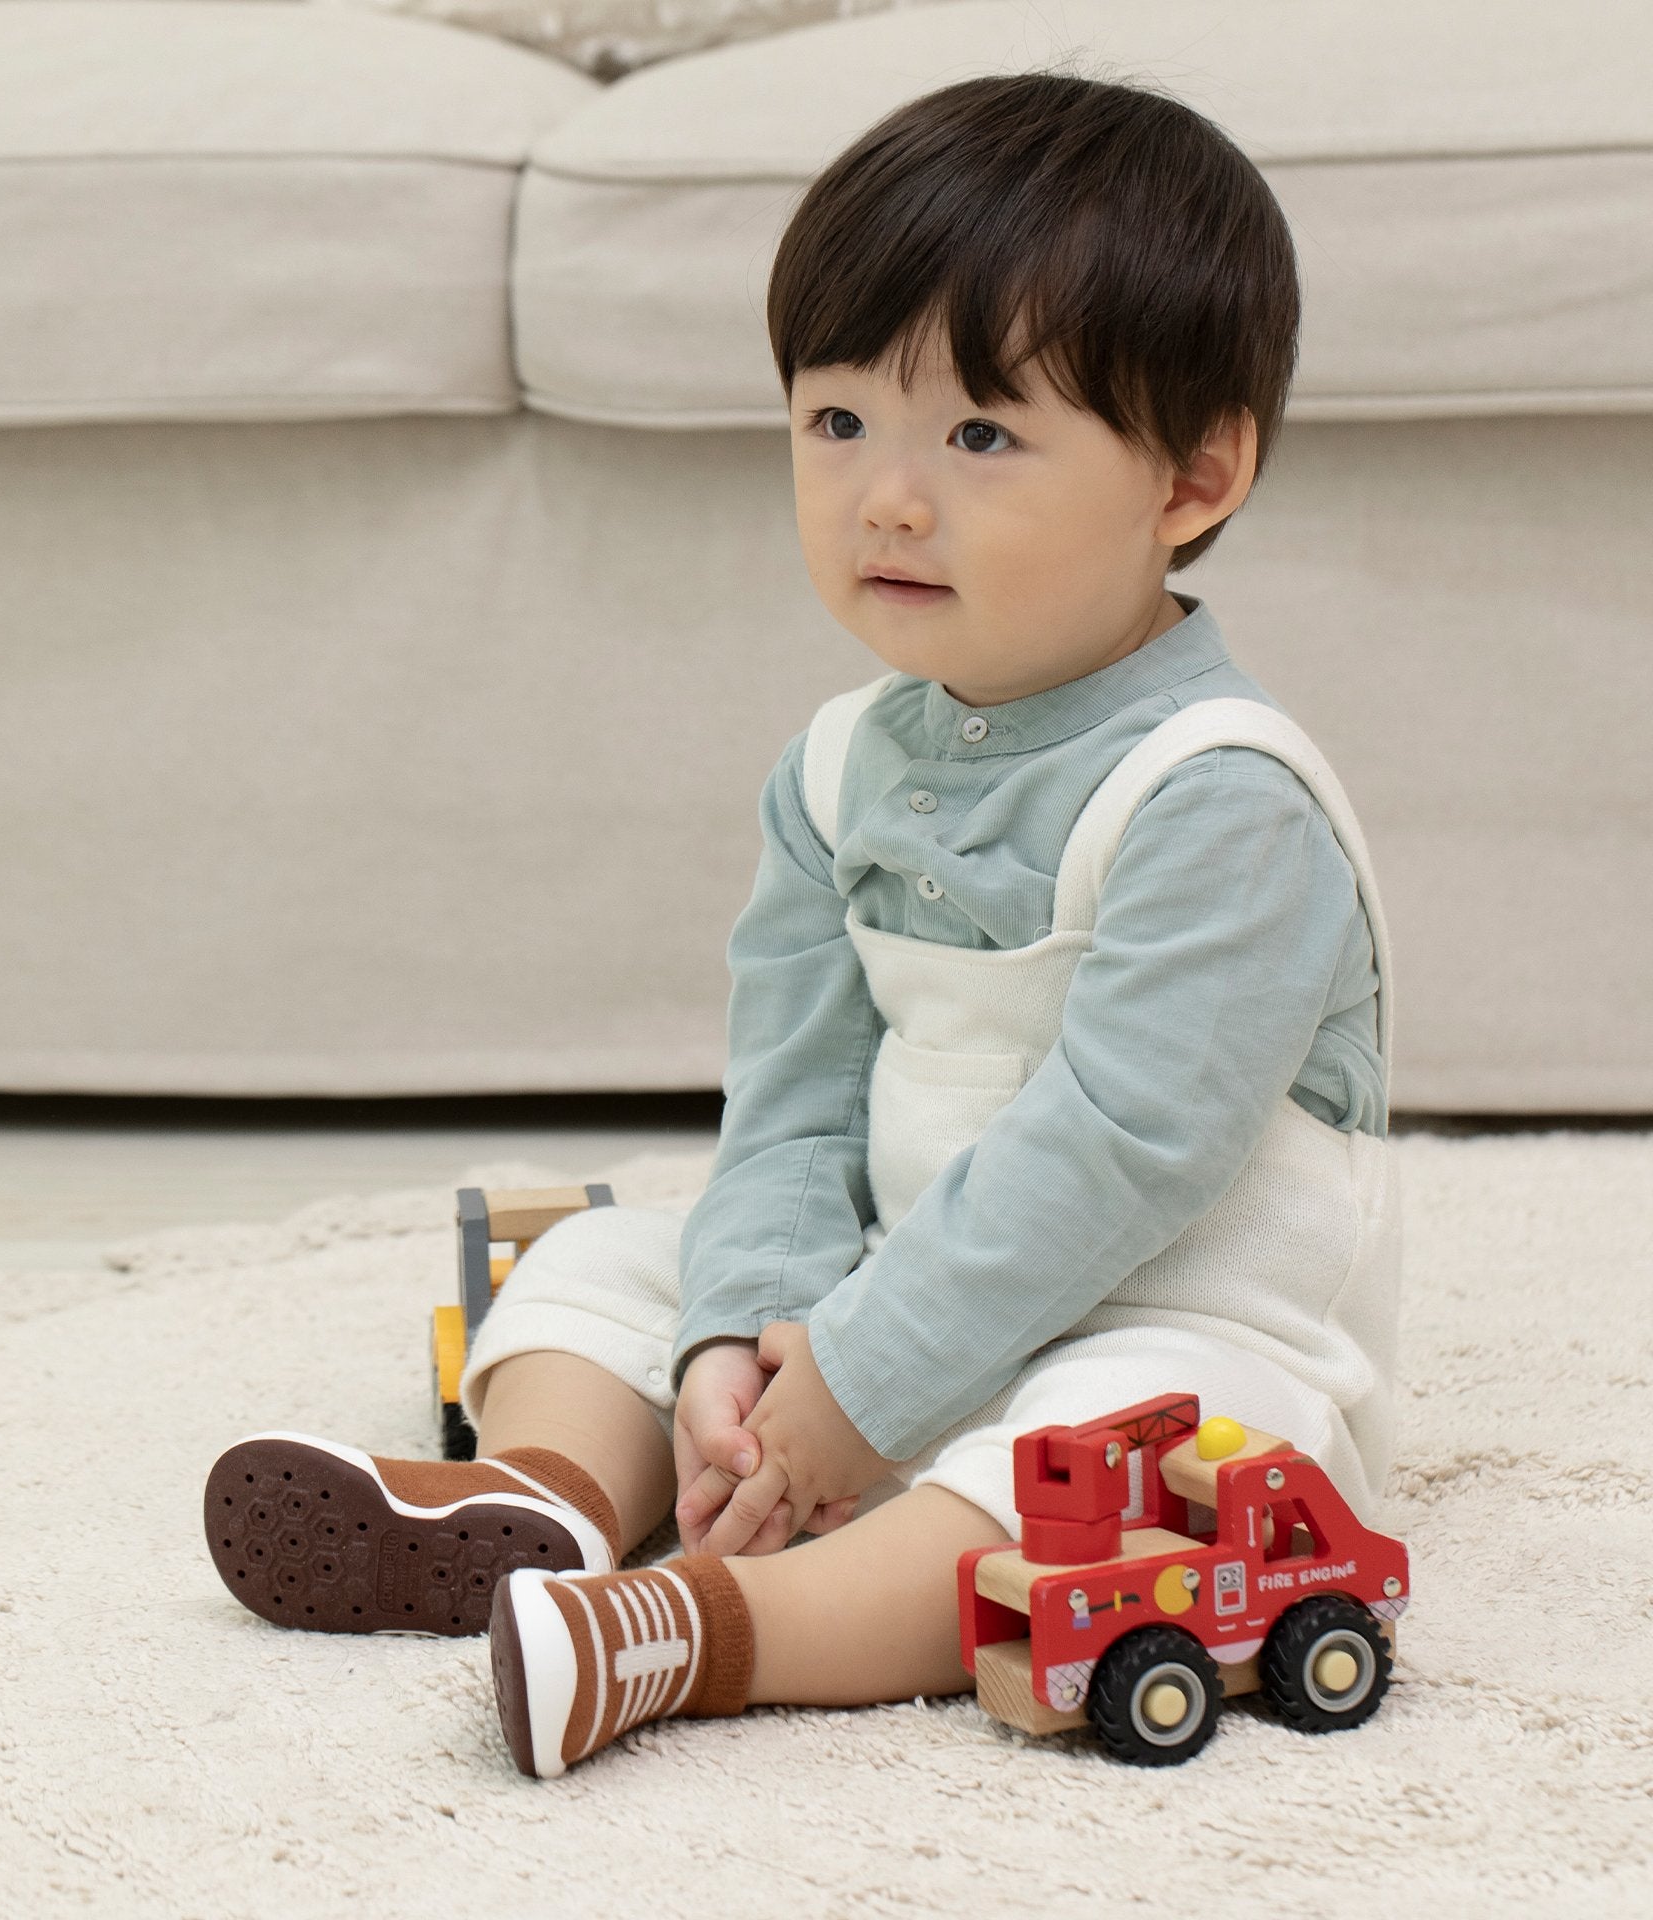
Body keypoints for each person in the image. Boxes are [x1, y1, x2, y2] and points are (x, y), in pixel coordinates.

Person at [202, 66, 1400, 1782]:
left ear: (1193, 478)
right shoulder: (837, 771)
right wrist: (742, 1340)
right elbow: (791, 1097)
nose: (888, 499)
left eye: (981, 436)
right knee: (607, 1257)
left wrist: (866, 1381)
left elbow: (1127, 1147)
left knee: (1107, 1462)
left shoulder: (1223, 798)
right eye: (838, 424)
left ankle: (704, 1634)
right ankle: (538, 1505)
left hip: (1163, 1321)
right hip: (872, 1306)